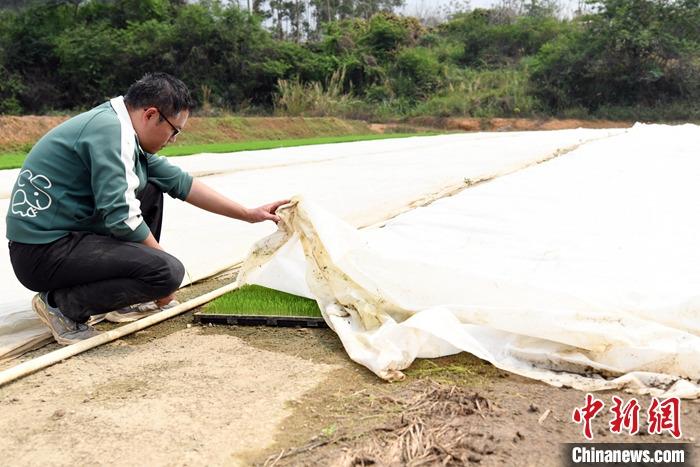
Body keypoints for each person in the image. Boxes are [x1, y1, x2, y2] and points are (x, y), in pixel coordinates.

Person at [6, 72, 288, 345]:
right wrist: (163, 273)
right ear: (151, 114)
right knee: (167, 272)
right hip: (42, 252)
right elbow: (121, 216)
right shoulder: (111, 132)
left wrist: (248, 214)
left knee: (151, 187)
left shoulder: (121, 127)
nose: (173, 139)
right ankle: (62, 305)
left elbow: (180, 182)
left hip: (64, 239)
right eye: (174, 130)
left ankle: (120, 303)